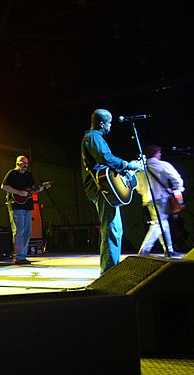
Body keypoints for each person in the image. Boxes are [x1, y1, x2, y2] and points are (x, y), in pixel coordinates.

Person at [81, 109, 143, 274]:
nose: (110, 126)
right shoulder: (93, 137)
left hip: (104, 188)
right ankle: (109, 272)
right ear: (102, 123)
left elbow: (106, 163)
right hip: (101, 189)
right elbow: (106, 158)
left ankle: (111, 269)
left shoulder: (95, 138)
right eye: (109, 123)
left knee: (115, 229)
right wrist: (129, 165)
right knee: (111, 228)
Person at [135, 144, 184, 256]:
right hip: (161, 198)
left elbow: (137, 186)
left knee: (163, 223)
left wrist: (144, 193)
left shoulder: (140, 168)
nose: (160, 154)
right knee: (159, 223)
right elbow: (176, 178)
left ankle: (169, 250)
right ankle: (144, 250)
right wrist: (178, 189)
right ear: (156, 153)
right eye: (159, 153)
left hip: (147, 199)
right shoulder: (162, 165)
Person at [1, 155, 43, 265]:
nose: (25, 165)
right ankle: (18, 257)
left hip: (27, 205)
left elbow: (32, 190)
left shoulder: (28, 175)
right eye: (23, 163)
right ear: (17, 163)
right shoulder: (12, 174)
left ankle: (22, 256)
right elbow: (4, 186)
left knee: (27, 231)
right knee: (19, 231)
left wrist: (41, 188)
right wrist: (19, 192)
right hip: (16, 205)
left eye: (27, 163)